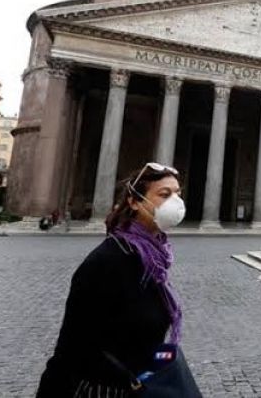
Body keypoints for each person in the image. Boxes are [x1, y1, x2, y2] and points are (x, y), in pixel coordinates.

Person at [36, 162, 187, 397]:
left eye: (178, 194)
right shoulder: (108, 261)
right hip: (106, 390)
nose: (175, 202)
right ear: (134, 201)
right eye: (164, 194)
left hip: (139, 385)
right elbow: (70, 347)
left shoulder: (154, 260)